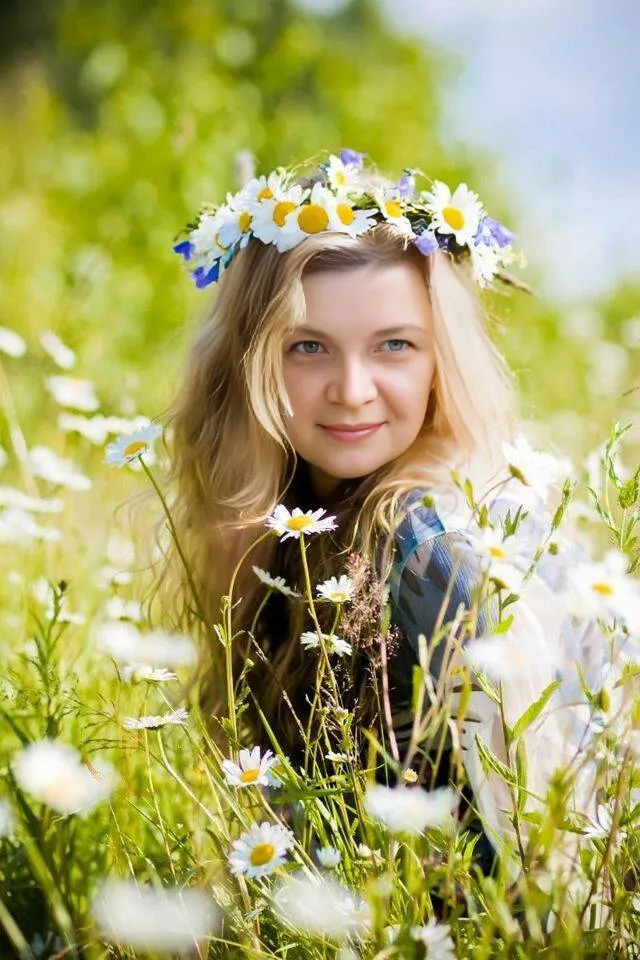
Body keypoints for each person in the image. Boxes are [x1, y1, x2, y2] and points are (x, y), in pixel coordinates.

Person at [163, 150, 605, 879]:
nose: (352, 389)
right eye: (308, 347)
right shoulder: (281, 523)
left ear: (443, 361)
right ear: (250, 363)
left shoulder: (440, 560)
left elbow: (543, 868)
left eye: (394, 345)